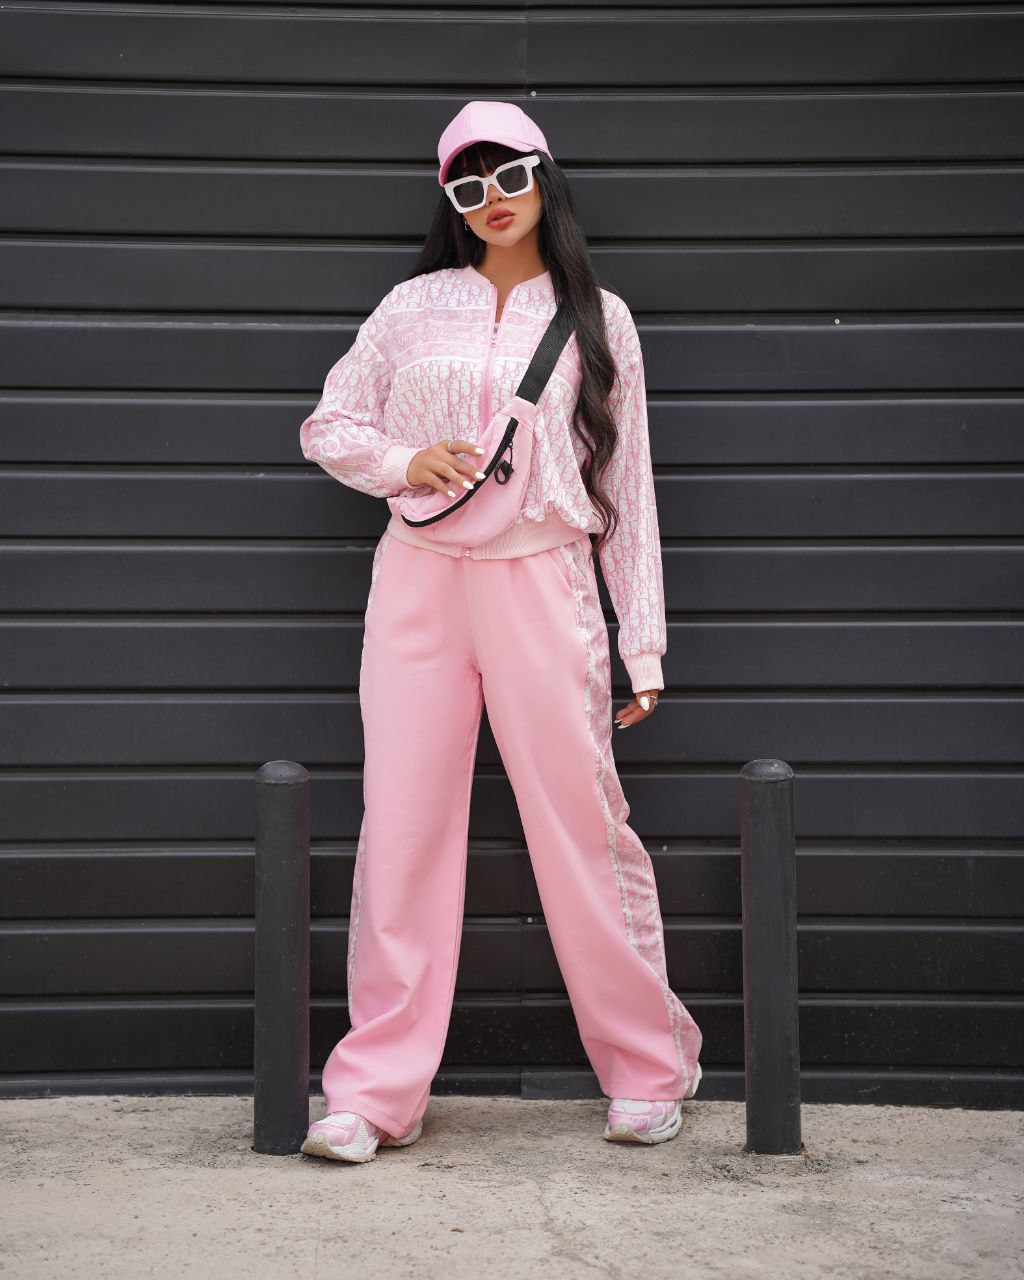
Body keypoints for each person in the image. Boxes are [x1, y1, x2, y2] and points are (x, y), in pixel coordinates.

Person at [297, 100, 702, 1164]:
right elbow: (330, 421)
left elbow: (627, 488)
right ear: (450, 200)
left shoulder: (599, 316)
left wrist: (642, 641)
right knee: (403, 829)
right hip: (419, 579)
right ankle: (374, 1092)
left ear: (543, 177)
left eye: (510, 175)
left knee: (581, 824)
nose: (493, 201)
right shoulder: (411, 306)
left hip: (542, 576)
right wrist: (403, 460)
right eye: (467, 185)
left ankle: (646, 1068)